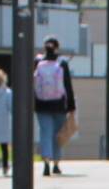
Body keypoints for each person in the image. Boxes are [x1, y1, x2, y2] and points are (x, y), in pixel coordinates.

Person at [32, 35, 76, 176]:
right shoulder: (62, 63)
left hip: (41, 104)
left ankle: (46, 162)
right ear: (57, 47)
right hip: (59, 105)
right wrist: (71, 107)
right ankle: (56, 164)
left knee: (45, 133)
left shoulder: (37, 62)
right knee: (57, 135)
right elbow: (68, 86)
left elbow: (33, 84)